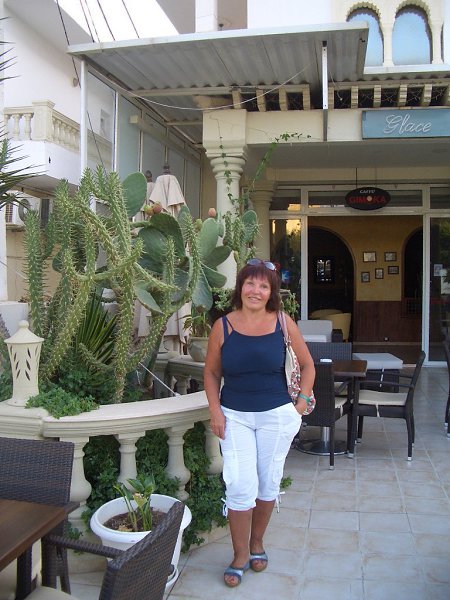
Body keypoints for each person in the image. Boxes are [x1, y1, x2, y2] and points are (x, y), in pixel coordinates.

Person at [204, 258, 315, 588]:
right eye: (250, 283)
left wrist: (301, 403)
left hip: (277, 416)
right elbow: (211, 372)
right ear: (240, 287)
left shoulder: (283, 322)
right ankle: (239, 555)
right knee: (239, 483)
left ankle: (256, 543)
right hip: (235, 415)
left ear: (272, 292)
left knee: (268, 481)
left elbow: (308, 365)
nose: (256, 290)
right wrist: (215, 411)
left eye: (263, 285)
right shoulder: (223, 326)